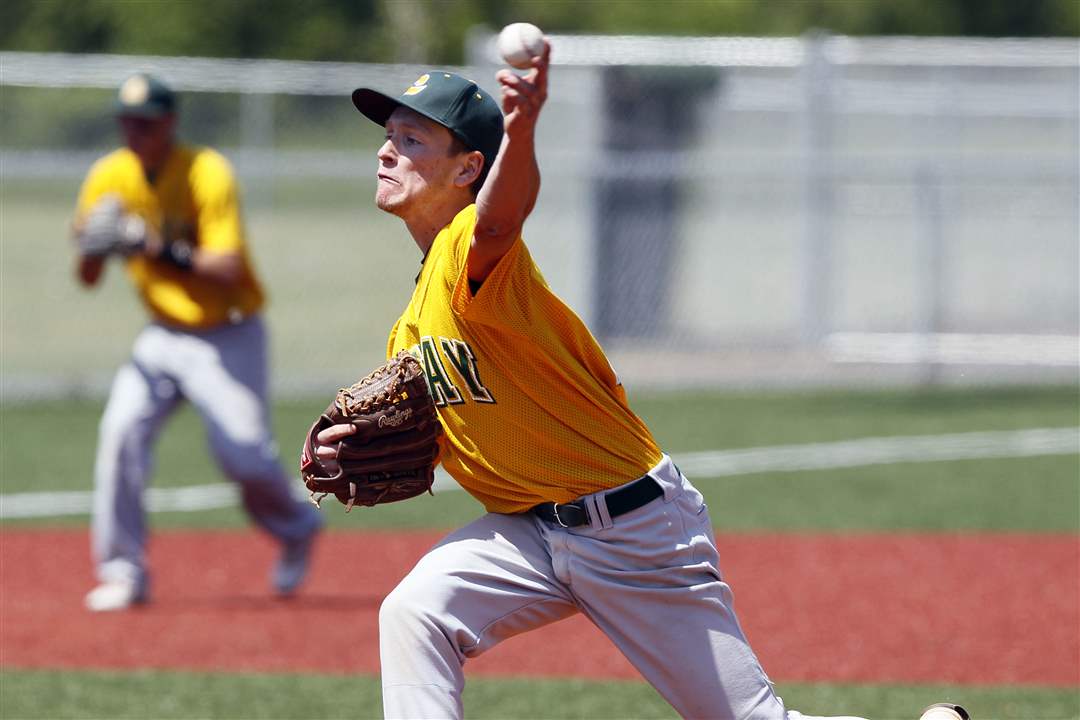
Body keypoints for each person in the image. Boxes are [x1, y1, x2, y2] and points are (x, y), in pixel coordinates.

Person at [316, 44, 968, 720]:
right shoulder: (411, 326)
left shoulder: (468, 251)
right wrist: (352, 445)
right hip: (529, 536)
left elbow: (502, 216)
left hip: (634, 529)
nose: (387, 152)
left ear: (468, 168)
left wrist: (526, 125)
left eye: (412, 139)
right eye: (389, 137)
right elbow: (456, 428)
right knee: (415, 612)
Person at [73, 73, 322, 612]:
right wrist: (96, 245)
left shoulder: (207, 171)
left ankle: (297, 527)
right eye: (126, 121)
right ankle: (123, 572)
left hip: (226, 332)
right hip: (161, 335)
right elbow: (87, 276)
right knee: (119, 433)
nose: (134, 131)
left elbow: (228, 268)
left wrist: (153, 247)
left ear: (170, 122)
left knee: (246, 458)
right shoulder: (108, 175)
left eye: (146, 122)